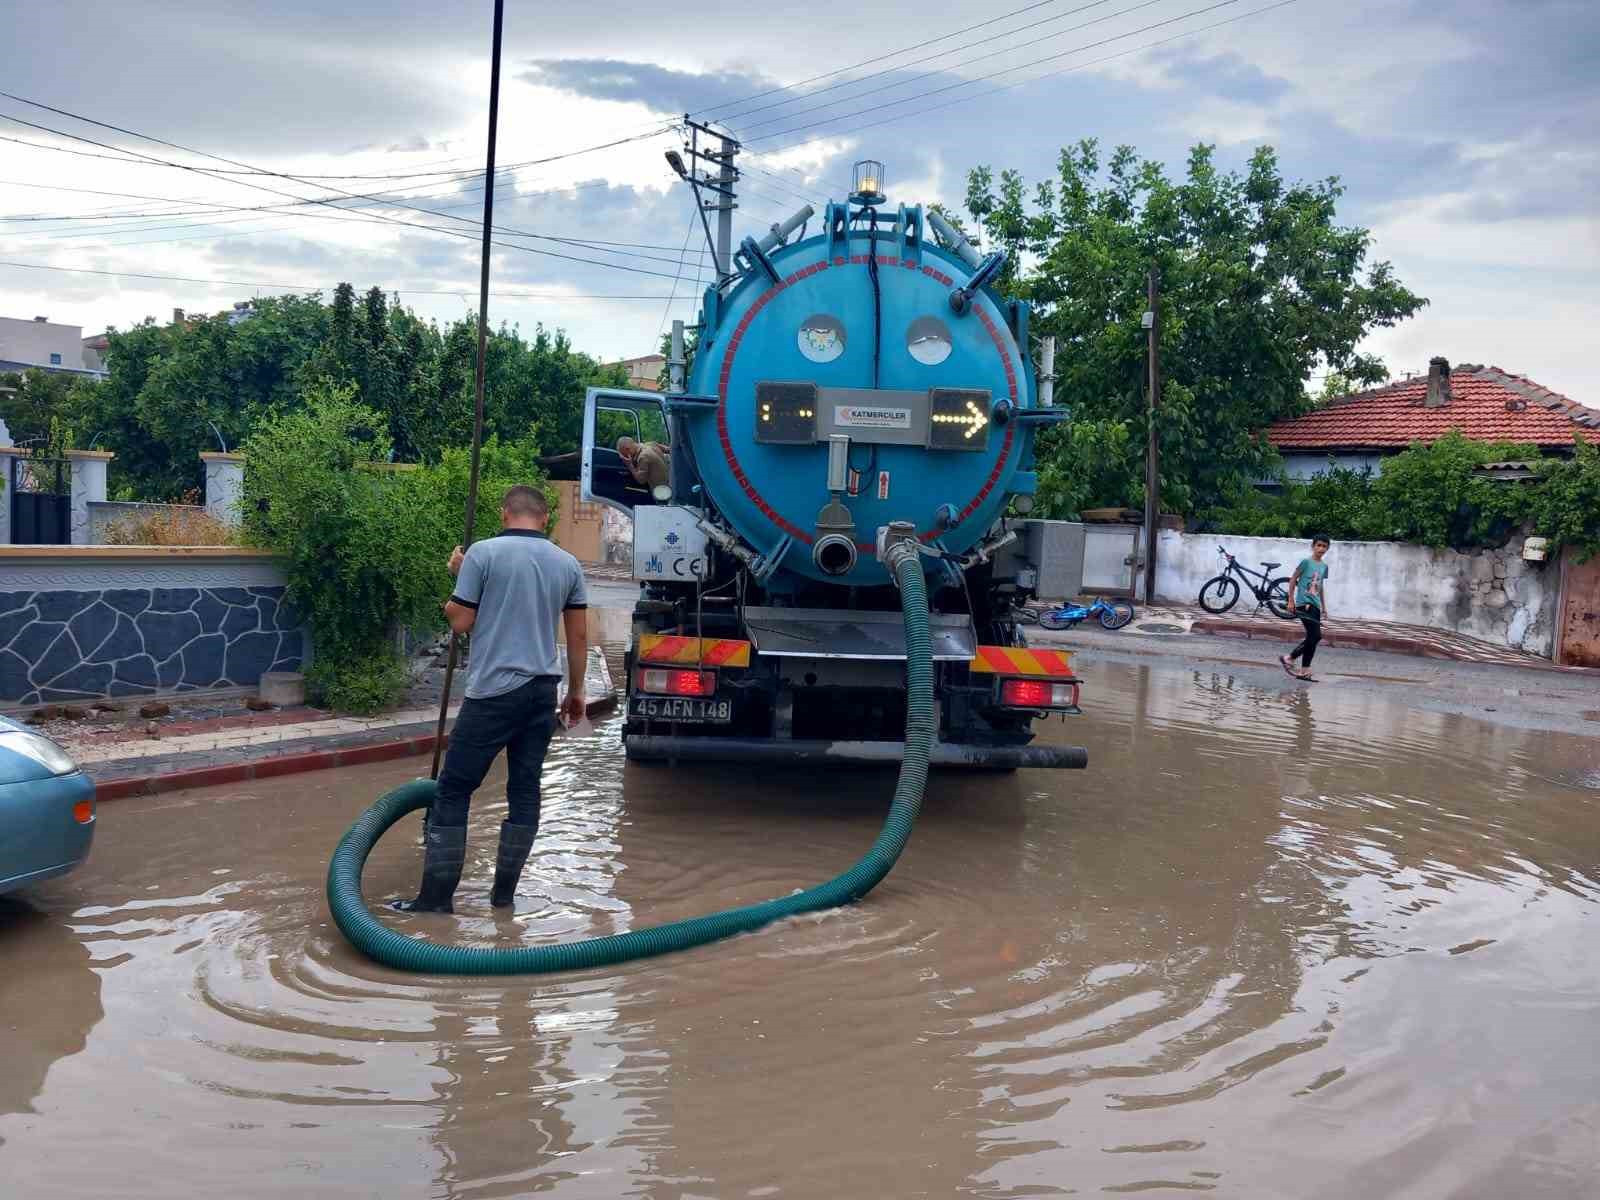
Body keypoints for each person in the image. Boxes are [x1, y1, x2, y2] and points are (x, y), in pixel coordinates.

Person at [392, 484, 589, 914]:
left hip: (494, 694)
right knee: (524, 790)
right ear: (545, 519)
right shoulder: (567, 563)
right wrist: (576, 692)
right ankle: (503, 899)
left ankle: (435, 901)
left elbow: (461, 620)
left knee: (454, 790)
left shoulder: (481, 554)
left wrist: (459, 576)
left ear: (504, 514)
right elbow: (577, 637)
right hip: (542, 692)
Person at [1281, 535, 1331, 681]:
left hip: (1315, 605)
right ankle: (1295, 662)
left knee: (1313, 637)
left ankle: (1296, 664)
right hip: (1304, 603)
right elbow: (1292, 579)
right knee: (1315, 636)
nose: (1321, 548)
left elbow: (1320, 587)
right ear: (1313, 546)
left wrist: (1324, 607)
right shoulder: (1306, 562)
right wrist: (1291, 600)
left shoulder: (1324, 567)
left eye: (1324, 546)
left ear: (1327, 548)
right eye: (1319, 545)